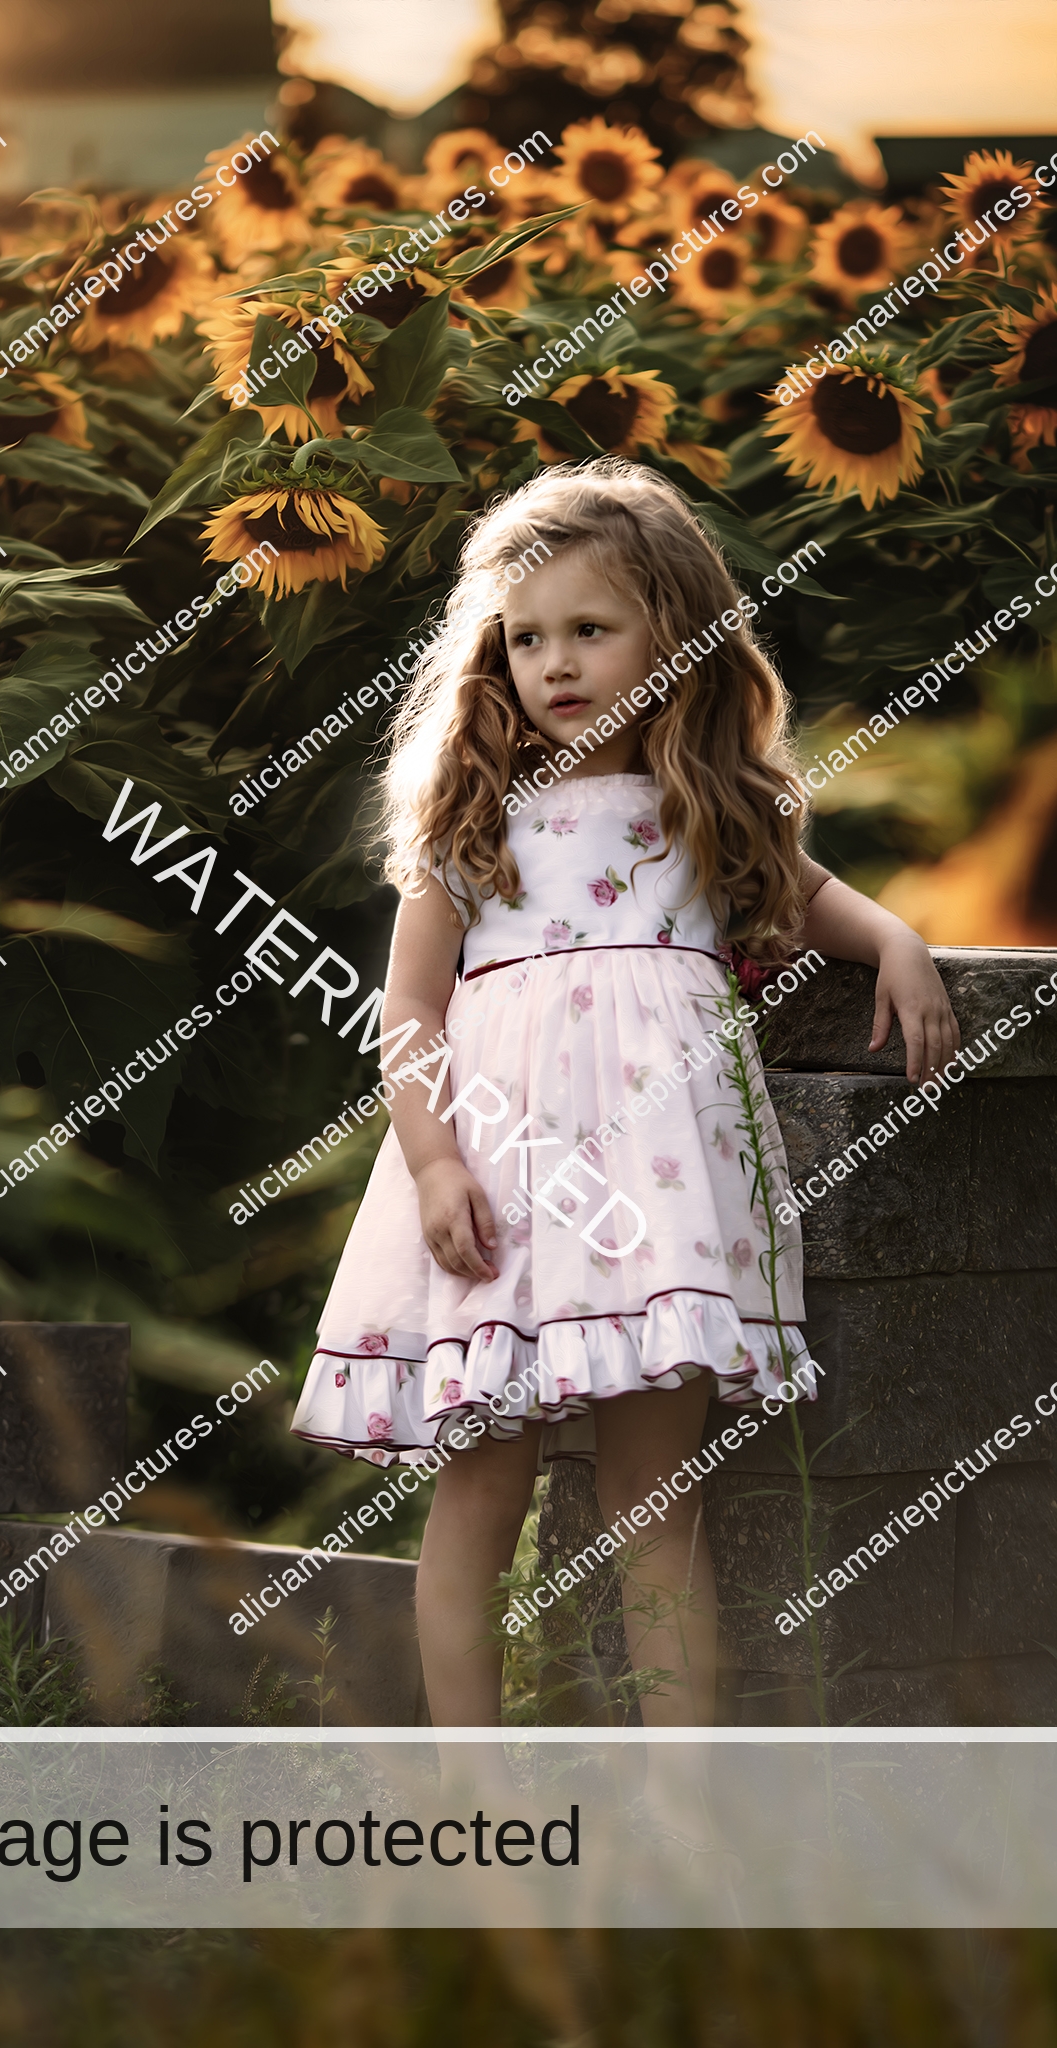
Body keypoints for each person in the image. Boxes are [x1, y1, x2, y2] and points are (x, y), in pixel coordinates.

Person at [289, 458, 958, 1802]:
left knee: (659, 1509)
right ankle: (471, 1799)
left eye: (588, 629)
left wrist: (894, 941)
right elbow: (408, 1007)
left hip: (655, 1199)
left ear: (679, 633)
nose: (553, 663)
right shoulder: (469, 816)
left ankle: (681, 1817)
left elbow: (817, 897)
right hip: (495, 1183)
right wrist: (429, 1164)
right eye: (525, 637)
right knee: (481, 1491)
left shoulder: (714, 808)